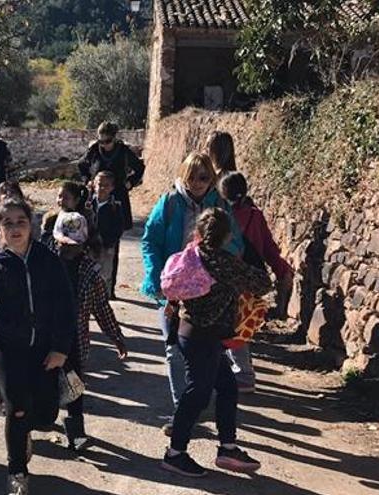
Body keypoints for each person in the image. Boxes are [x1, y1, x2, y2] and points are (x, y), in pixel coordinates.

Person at [0, 199, 76, 495]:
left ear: (31, 226)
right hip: (7, 347)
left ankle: (22, 429)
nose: (15, 228)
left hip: (44, 347)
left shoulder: (49, 261)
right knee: (18, 408)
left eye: (20, 221)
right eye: (8, 223)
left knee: (47, 413)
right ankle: (17, 471)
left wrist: (61, 348)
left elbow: (66, 307)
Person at [161, 207, 272, 477]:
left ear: (198, 232)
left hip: (189, 332)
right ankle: (176, 453)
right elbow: (262, 284)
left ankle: (228, 447)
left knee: (226, 387)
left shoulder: (192, 255)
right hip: (207, 338)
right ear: (227, 235)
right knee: (198, 392)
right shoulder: (226, 263)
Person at [140, 152, 244, 435]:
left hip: (208, 293)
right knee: (173, 348)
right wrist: (155, 276)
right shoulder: (170, 203)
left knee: (210, 351)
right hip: (173, 290)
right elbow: (150, 241)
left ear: (211, 178)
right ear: (183, 175)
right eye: (192, 176)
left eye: (204, 177)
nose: (197, 183)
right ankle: (182, 411)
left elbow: (234, 242)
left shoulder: (219, 205)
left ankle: (196, 405)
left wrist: (221, 270)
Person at [52, 211, 127, 450]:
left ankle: (76, 434)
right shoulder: (44, 264)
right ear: (56, 239)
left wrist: (117, 337)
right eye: (64, 244)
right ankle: (30, 425)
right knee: (38, 383)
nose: (67, 250)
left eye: (73, 245)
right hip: (43, 336)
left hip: (74, 339)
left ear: (83, 244)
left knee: (74, 386)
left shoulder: (90, 273)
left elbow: (102, 308)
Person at [219, 171, 294, 393]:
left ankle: (243, 373)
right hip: (251, 277)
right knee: (240, 323)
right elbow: (269, 247)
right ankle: (241, 371)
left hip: (227, 276)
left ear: (222, 193)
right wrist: (281, 270)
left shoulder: (222, 216)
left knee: (226, 324)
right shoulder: (254, 215)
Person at [77, 121, 145, 299]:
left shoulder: (123, 152)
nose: (104, 145)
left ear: (114, 138)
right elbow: (82, 165)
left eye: (107, 141)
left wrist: (129, 183)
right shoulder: (94, 150)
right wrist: (87, 181)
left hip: (117, 199)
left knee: (112, 244)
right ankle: (90, 285)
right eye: (101, 141)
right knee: (91, 241)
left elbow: (139, 168)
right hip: (97, 198)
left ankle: (109, 289)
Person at [89, 170, 124, 298]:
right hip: (89, 246)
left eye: (106, 185)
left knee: (105, 273)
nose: (102, 188)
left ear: (112, 188)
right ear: (94, 185)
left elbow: (118, 228)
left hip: (107, 246)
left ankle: (104, 296)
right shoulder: (87, 204)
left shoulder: (115, 206)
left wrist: (110, 243)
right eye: (100, 184)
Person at [40, 181, 91, 252]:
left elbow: (92, 244)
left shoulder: (84, 219)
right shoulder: (50, 219)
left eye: (66, 198)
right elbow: (44, 241)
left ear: (76, 200)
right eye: (59, 196)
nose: (61, 200)